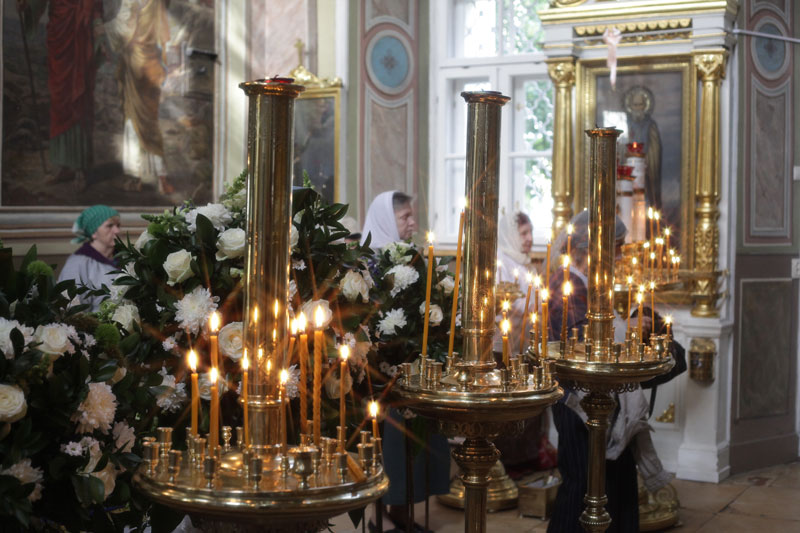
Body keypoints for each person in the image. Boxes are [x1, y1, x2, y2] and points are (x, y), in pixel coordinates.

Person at [546, 210, 673, 533]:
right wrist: (628, 326)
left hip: (599, 394)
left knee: (615, 480)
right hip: (576, 398)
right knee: (582, 483)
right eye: (616, 247)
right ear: (592, 248)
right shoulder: (567, 282)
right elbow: (579, 340)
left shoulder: (586, 281)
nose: (619, 256)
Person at [361, 191, 448, 532]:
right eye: (405, 217)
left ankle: (401, 511)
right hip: (379, 373)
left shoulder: (414, 260)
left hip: (413, 365)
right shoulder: (368, 262)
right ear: (387, 219)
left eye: (412, 216)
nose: (412, 223)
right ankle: (381, 515)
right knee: (389, 446)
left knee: (417, 442)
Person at [18, 0, 106, 188]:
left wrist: (99, 30)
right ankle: (64, 166)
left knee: (79, 102)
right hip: (59, 36)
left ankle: (81, 168)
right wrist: (27, 6)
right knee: (60, 103)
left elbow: (95, 6)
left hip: (81, 37)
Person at [106, 0, 174, 194]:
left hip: (143, 67)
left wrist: (104, 28)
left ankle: (155, 176)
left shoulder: (144, 3)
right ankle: (143, 176)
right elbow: (163, 38)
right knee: (139, 122)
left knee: (142, 122)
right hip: (142, 66)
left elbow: (124, 30)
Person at [58, 205, 121, 312]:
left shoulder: (124, 257)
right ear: (94, 232)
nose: (117, 230)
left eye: (118, 225)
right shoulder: (77, 264)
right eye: (109, 226)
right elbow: (71, 309)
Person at [624, 85, 662, 209]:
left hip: (646, 169)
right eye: (635, 105)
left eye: (640, 104)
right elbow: (621, 145)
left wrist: (646, 162)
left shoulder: (650, 125)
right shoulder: (625, 124)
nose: (637, 108)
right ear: (630, 106)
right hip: (628, 171)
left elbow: (655, 148)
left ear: (645, 106)